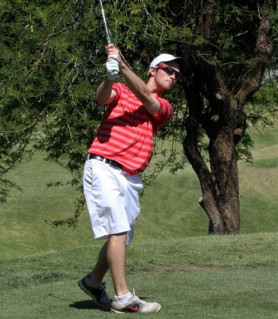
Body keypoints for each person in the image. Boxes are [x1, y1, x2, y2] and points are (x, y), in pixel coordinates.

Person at [78, 43, 186, 314]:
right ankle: (123, 298)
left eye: (177, 74)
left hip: (131, 177)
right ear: (154, 69)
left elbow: (148, 100)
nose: (173, 76)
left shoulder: (164, 107)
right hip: (104, 166)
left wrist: (123, 66)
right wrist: (110, 76)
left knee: (120, 236)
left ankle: (92, 282)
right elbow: (102, 98)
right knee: (118, 230)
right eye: (169, 70)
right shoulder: (123, 91)